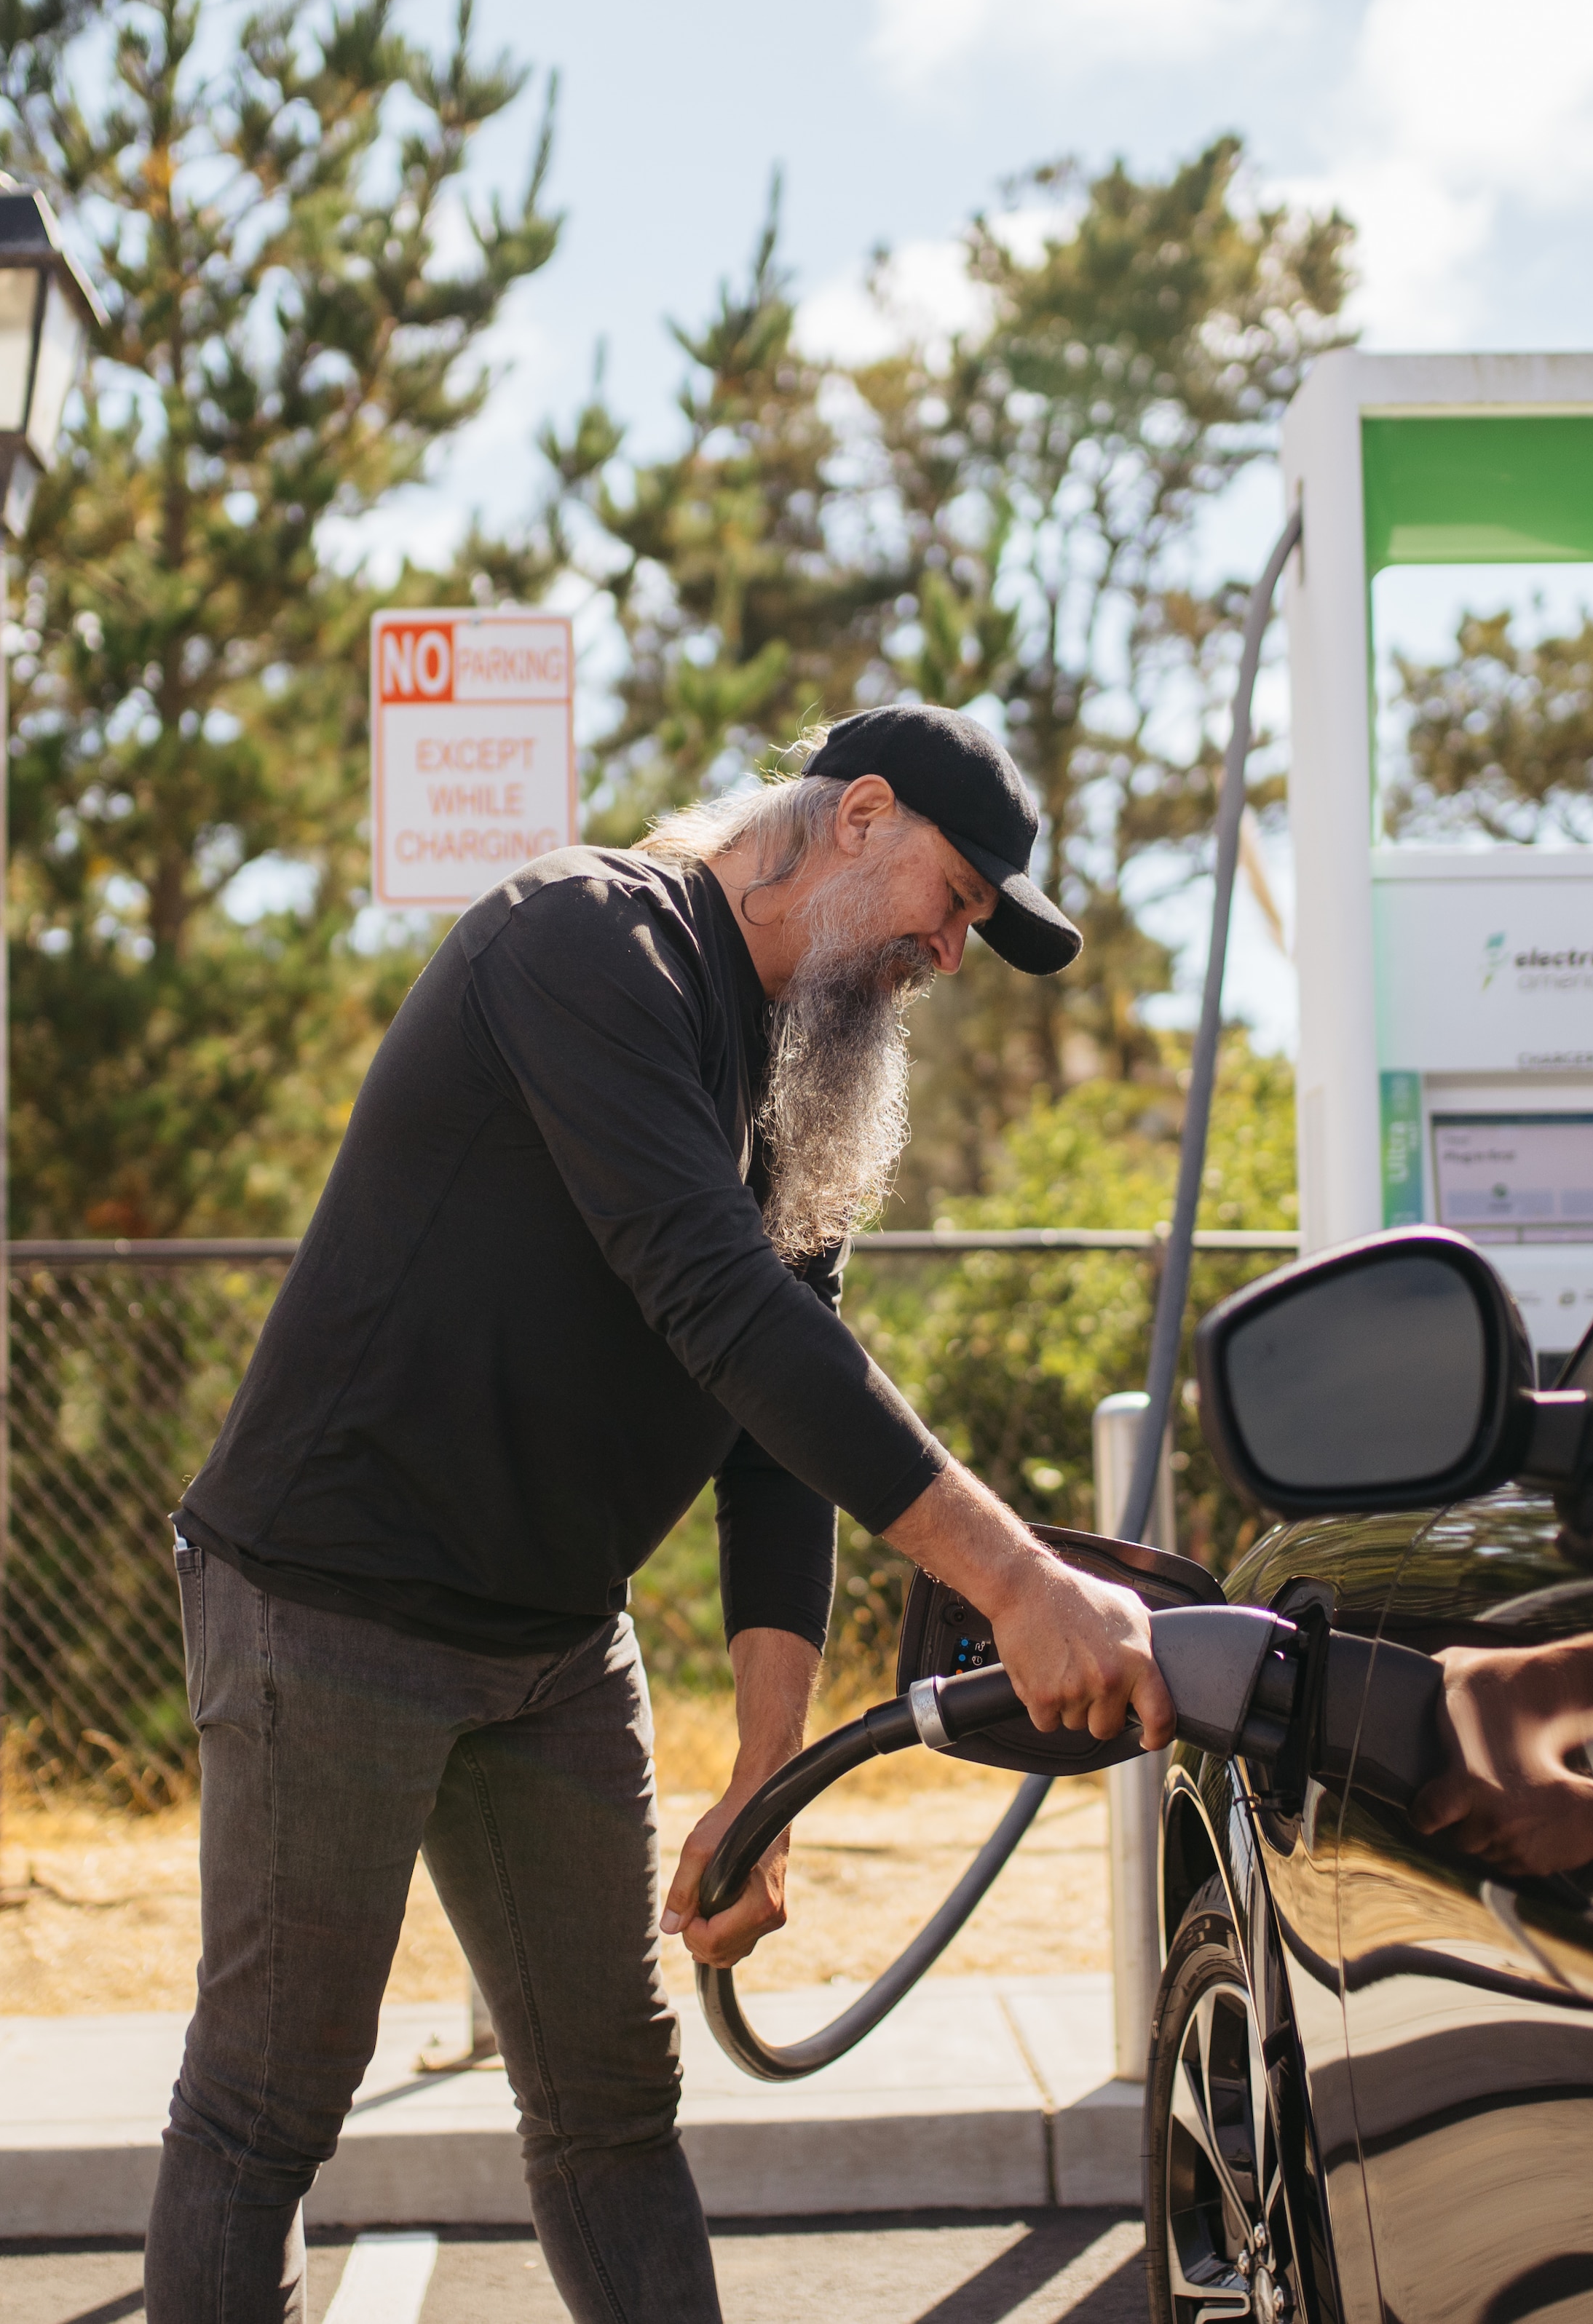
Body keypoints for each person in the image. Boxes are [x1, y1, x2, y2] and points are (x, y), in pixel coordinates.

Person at [144, 705, 1179, 2322]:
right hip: (329, 1605)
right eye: (956, 895)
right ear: (860, 815)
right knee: (270, 2106)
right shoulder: (581, 939)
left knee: (611, 2108)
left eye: (977, 921)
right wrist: (1021, 1578)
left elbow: (779, 1430)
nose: (954, 948)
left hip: (552, 1640)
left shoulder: (803, 1073)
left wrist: (765, 1774)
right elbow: (719, 1304)